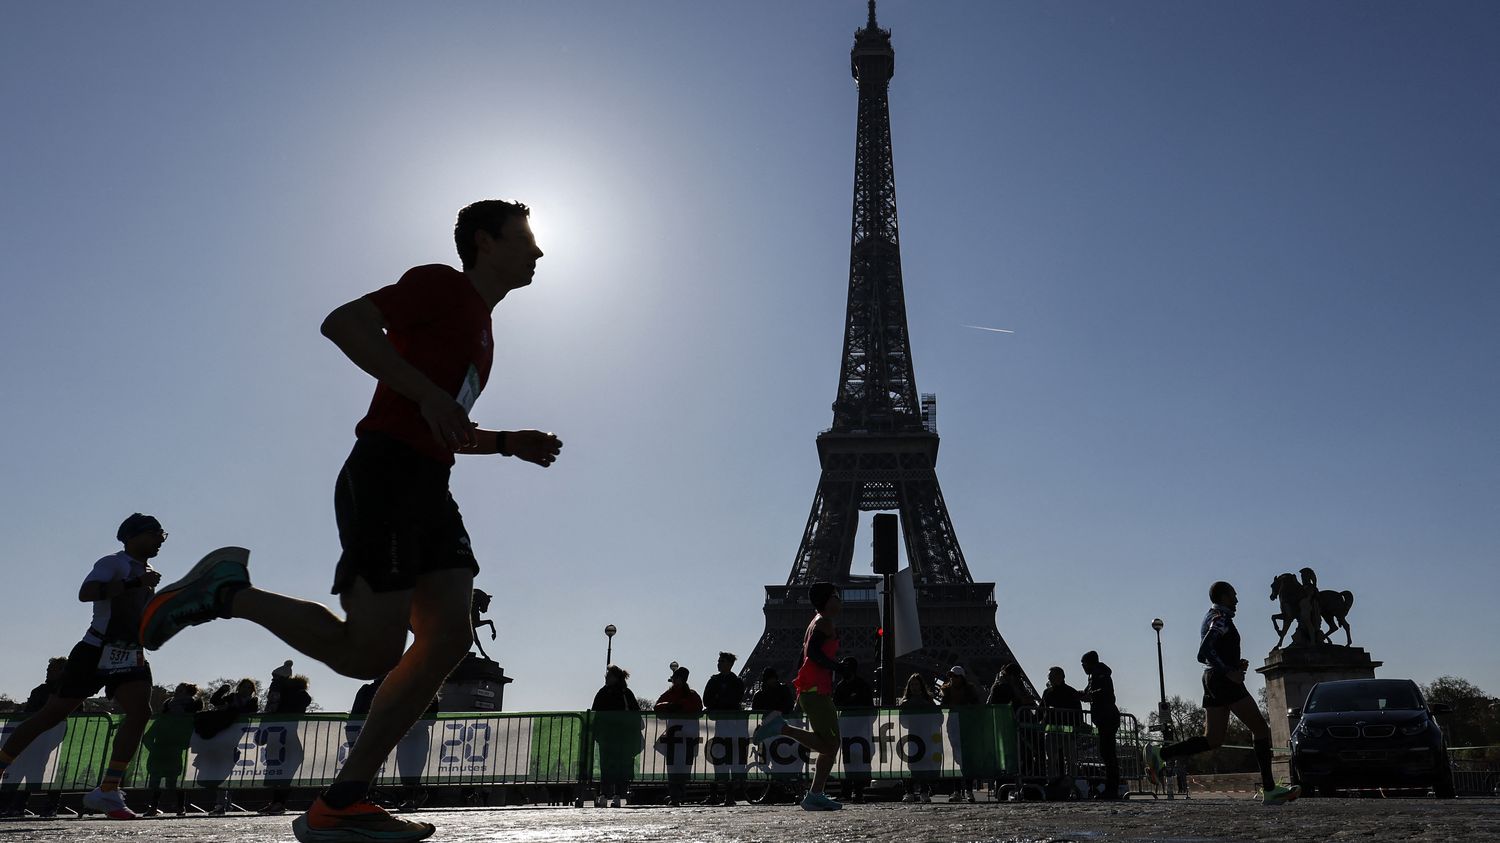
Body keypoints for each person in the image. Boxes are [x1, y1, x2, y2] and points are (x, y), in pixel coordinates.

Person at [138, 200, 561, 843]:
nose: (538, 253)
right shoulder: (440, 284)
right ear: (485, 240)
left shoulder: (483, 330)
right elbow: (343, 323)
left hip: (429, 484)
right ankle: (226, 592)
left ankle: (343, 800)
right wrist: (426, 394)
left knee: (448, 638)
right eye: (526, 240)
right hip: (385, 473)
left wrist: (506, 442)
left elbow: (443, 420)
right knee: (372, 652)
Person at [0, 514, 167, 819]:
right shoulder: (113, 562)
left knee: (141, 712)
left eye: (163, 535)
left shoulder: (150, 571)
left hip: (128, 652)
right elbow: (86, 593)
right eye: (156, 534)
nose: (161, 539)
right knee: (50, 715)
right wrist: (134, 582)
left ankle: (108, 789)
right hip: (94, 649)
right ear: (133, 536)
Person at [1144, 581, 1300, 805]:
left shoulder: (1211, 616)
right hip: (1222, 680)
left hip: (1211, 680)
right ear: (1224, 596)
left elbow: (1211, 652)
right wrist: (1229, 671)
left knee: (1213, 739)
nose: (1237, 600)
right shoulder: (1221, 619)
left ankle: (1161, 754)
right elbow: (1203, 652)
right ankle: (1269, 788)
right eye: (1234, 596)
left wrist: (1234, 664)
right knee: (1260, 728)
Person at [752, 582, 843, 811]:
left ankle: (815, 794)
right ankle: (781, 728)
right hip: (815, 690)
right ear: (826, 599)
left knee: (830, 745)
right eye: (835, 595)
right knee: (831, 745)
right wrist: (837, 667)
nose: (839, 599)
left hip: (811, 689)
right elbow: (813, 653)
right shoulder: (823, 622)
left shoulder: (816, 621)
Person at [0, 657, 68, 817]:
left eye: (51, 670)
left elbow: (28, 716)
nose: (48, 672)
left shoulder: (49, 691)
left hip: (46, 740)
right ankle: (29, 806)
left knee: (33, 772)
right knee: (38, 773)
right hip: (46, 740)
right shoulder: (65, 692)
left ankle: (19, 806)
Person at [141, 682, 201, 817]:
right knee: (157, 780)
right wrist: (154, 748)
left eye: (181, 690)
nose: (177, 691)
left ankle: (179, 807)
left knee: (173, 780)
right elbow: (148, 736)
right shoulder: (167, 707)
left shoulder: (190, 710)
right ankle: (155, 807)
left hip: (174, 749)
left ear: (188, 692)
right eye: (177, 689)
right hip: (162, 749)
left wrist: (183, 744)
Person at [590, 665, 641, 808]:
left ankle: (618, 795)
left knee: (618, 767)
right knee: (607, 767)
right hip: (607, 737)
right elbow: (595, 713)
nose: (606, 678)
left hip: (621, 737)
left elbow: (635, 713)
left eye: (609, 675)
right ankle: (605, 795)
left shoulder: (625, 693)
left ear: (616, 677)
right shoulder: (603, 692)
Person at [261, 675, 313, 814]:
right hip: (282, 740)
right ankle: (276, 802)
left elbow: (303, 700)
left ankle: (279, 803)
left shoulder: (292, 697)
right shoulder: (287, 697)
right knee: (279, 774)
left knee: (282, 774)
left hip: (285, 740)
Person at [701, 652, 746, 806]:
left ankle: (726, 794)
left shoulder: (731, 682)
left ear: (729, 664)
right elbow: (707, 699)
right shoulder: (729, 681)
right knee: (719, 760)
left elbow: (730, 700)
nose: (718, 663)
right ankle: (719, 794)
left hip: (728, 727)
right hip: (725, 726)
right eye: (718, 661)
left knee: (725, 760)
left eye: (722, 661)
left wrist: (718, 701)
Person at [654, 666, 702, 806]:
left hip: (683, 737)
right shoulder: (687, 694)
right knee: (675, 766)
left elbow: (697, 707)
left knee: (681, 766)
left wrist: (675, 706)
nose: (673, 681)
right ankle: (676, 794)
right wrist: (671, 706)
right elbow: (657, 707)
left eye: (675, 678)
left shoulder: (688, 695)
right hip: (678, 737)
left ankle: (678, 793)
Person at [1079, 651, 1121, 800]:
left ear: (1089, 663)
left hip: (1106, 717)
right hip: (1106, 717)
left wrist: (1089, 696)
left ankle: (1112, 789)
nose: (1083, 667)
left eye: (1083, 664)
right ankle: (1111, 788)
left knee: (1108, 754)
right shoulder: (1097, 675)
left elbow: (1103, 693)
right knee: (1107, 753)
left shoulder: (1099, 675)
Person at [832, 657, 874, 802]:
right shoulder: (841, 686)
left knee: (858, 760)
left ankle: (858, 791)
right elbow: (835, 705)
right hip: (847, 729)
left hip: (859, 728)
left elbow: (869, 708)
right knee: (847, 760)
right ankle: (847, 791)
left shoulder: (861, 685)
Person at [938, 666, 980, 802]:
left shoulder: (969, 691)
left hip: (966, 726)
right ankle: (957, 791)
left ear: (961, 678)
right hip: (954, 726)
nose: (952, 678)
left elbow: (976, 706)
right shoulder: (946, 691)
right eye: (951, 676)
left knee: (966, 759)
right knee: (956, 758)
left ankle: (968, 790)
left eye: (955, 676)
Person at [897, 673, 938, 803]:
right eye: (912, 684)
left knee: (922, 763)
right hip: (913, 735)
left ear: (921, 685)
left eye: (916, 684)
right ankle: (912, 791)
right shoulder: (926, 701)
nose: (914, 687)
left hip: (922, 735)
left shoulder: (907, 702)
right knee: (913, 763)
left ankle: (920, 791)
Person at [1041, 666, 1083, 794]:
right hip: (1054, 731)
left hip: (1065, 731)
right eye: (1049, 677)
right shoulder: (1049, 692)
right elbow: (1041, 710)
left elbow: (1078, 714)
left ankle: (1067, 782)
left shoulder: (1069, 692)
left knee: (1068, 759)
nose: (1050, 679)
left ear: (1060, 677)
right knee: (1053, 759)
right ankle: (1055, 781)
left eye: (1051, 677)